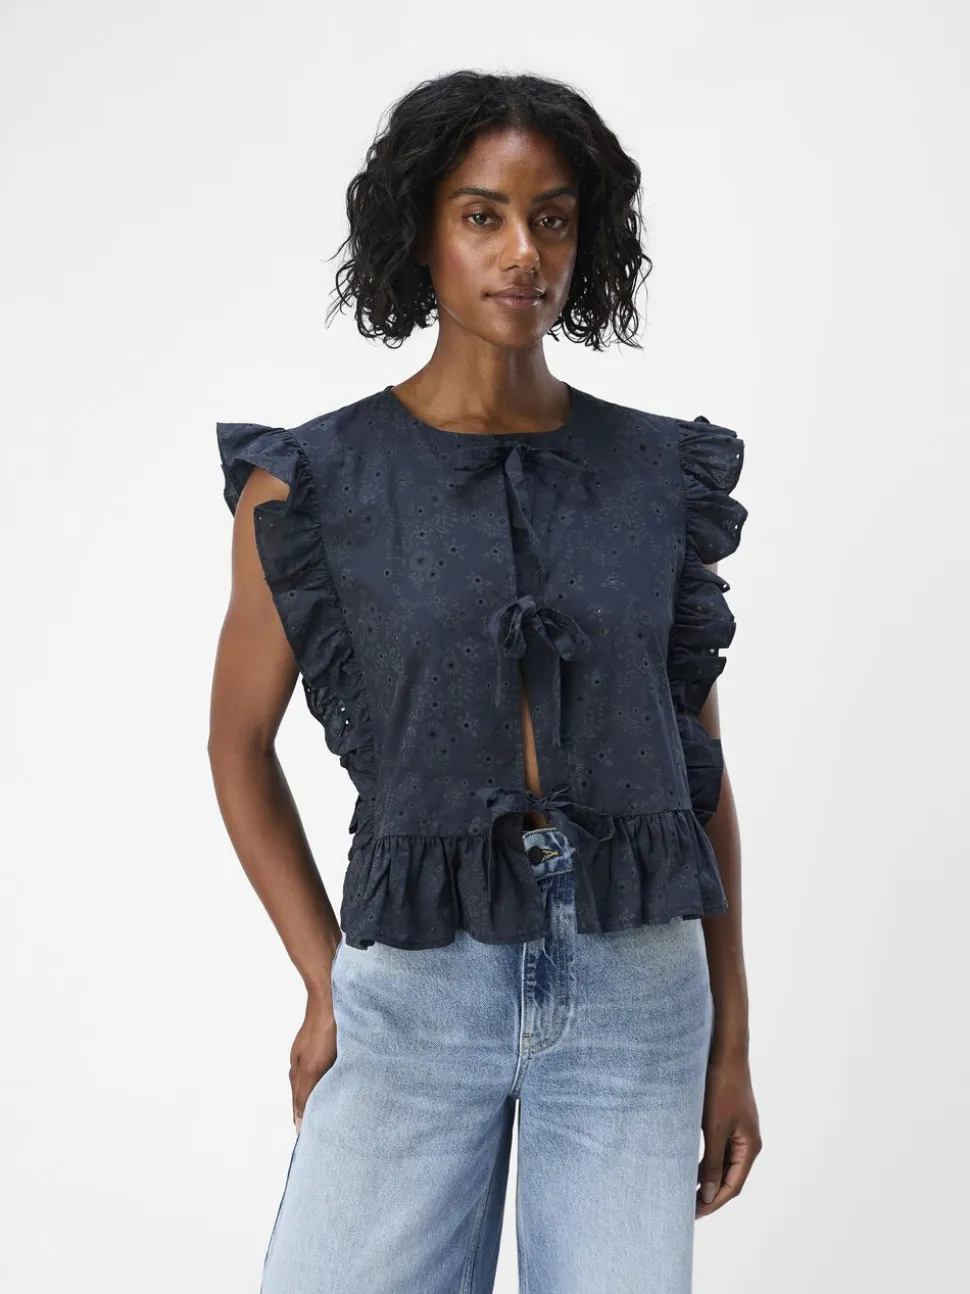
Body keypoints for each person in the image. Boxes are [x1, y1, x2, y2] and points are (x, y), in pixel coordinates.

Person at [209, 69, 761, 1294]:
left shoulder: (657, 474)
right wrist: (323, 976)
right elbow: (236, 745)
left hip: (635, 991)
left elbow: (697, 770)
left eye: (552, 219)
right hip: (414, 980)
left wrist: (731, 1040)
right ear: (420, 232)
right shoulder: (313, 484)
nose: (523, 252)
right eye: (482, 215)